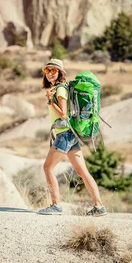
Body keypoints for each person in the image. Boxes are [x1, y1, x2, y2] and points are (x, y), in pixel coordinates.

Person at [37, 59, 107, 217]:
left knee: (48, 167)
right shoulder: (59, 88)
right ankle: (99, 206)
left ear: (60, 73)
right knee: (82, 171)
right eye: (47, 71)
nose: (50, 74)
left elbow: (62, 113)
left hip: (65, 134)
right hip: (71, 134)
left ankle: (56, 205)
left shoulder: (60, 90)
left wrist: (49, 100)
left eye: (53, 71)